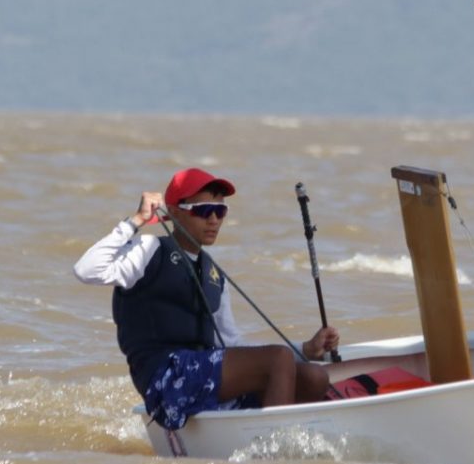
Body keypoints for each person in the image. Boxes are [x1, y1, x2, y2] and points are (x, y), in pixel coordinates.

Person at [73, 167, 340, 431]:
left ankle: (272, 437)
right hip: (164, 380)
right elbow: (86, 269)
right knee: (278, 360)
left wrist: (306, 350)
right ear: (174, 212)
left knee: (314, 377)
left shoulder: (214, 276)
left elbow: (232, 345)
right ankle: (276, 447)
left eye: (220, 211)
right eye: (203, 210)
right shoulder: (149, 249)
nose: (213, 220)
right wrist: (136, 221)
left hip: (202, 376)